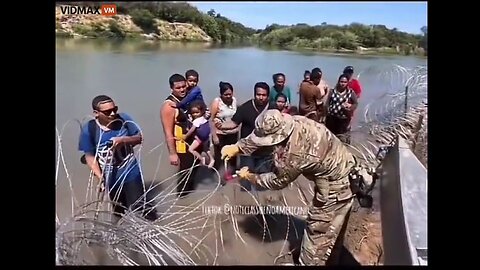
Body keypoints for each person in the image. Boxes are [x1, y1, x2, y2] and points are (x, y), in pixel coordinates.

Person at [220, 109, 375, 265]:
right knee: (334, 230)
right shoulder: (294, 121)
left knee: (318, 230)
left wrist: (249, 177)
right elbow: (264, 134)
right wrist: (238, 147)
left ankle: (309, 262)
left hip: (337, 187)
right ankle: (331, 260)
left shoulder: (297, 153)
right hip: (344, 167)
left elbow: (276, 182)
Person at [78, 95, 158, 221]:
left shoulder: (124, 120)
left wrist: (123, 140)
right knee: (118, 208)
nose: (113, 113)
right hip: (110, 176)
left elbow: (140, 138)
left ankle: (151, 228)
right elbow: (89, 156)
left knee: (140, 204)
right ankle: (121, 233)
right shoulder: (89, 129)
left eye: (114, 109)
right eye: (107, 111)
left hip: (130, 171)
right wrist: (100, 178)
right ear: (96, 113)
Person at [215, 82, 272, 192]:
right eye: (258, 94)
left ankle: (261, 205)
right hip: (247, 151)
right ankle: (245, 204)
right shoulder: (245, 108)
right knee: (245, 181)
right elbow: (233, 123)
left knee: (263, 182)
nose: (261, 97)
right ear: (254, 94)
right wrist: (221, 126)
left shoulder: (273, 108)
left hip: (265, 151)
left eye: (264, 95)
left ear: (268, 96)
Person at [160, 74, 201, 197]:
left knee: (195, 169)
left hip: (194, 142)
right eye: (178, 88)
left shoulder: (186, 98)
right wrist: (172, 154)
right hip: (182, 146)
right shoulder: (168, 106)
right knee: (185, 174)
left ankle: (190, 195)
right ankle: (182, 199)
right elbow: (168, 132)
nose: (182, 90)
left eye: (184, 86)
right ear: (171, 88)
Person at [210, 81, 239, 171]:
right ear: (221, 94)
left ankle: (232, 173)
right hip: (220, 134)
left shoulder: (234, 100)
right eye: (225, 94)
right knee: (219, 157)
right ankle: (217, 174)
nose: (228, 96)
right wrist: (214, 136)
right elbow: (211, 120)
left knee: (233, 154)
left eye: (230, 94)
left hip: (233, 133)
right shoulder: (217, 102)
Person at [177, 100, 215, 168]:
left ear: (202, 111)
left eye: (197, 112)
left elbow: (192, 130)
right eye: (193, 113)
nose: (195, 114)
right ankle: (212, 160)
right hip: (206, 138)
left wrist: (185, 136)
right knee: (207, 150)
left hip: (200, 139)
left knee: (191, 149)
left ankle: (201, 158)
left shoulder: (197, 121)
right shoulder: (204, 118)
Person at [325, 74, 358, 144]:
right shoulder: (332, 91)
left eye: (345, 82)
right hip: (332, 119)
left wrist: (350, 106)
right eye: (341, 82)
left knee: (342, 139)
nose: (343, 84)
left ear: (347, 83)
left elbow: (356, 104)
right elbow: (327, 104)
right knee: (331, 138)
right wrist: (325, 114)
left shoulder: (350, 93)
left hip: (344, 120)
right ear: (338, 82)